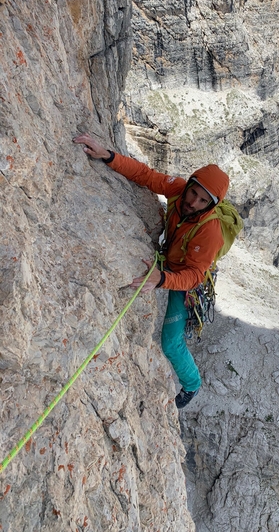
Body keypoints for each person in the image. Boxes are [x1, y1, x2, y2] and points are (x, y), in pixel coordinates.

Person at [73, 133, 230, 408]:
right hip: (168, 265)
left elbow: (195, 275)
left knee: (170, 343)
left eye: (202, 201)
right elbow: (146, 176)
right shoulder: (180, 190)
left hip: (185, 282)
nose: (192, 202)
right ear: (190, 184)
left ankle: (192, 385)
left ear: (211, 206)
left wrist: (163, 280)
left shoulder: (211, 232)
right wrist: (108, 155)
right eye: (193, 192)